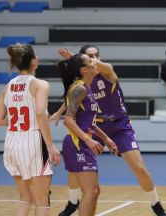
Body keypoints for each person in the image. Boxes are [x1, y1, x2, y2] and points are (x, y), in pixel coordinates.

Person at [51, 46, 166, 216]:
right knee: (78, 174)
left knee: (139, 167)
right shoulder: (84, 83)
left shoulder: (106, 72)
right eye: (91, 57)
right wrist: (58, 113)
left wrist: (76, 58)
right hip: (94, 126)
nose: (96, 59)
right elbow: (73, 99)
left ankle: (156, 204)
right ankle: (72, 202)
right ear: (84, 67)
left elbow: (95, 73)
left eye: (97, 56)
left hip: (119, 125)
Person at [0, 44, 60, 216]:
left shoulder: (7, 86)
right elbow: (39, 113)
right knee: (42, 203)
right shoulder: (40, 84)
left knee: (25, 198)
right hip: (32, 144)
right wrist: (50, 145)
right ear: (33, 62)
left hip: (12, 144)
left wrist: (24, 119)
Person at [58, 53, 119, 216]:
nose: (95, 62)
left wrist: (105, 137)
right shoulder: (78, 88)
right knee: (90, 191)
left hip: (84, 143)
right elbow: (68, 120)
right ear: (85, 70)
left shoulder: (87, 88)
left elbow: (88, 122)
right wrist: (88, 140)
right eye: (91, 61)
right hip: (77, 143)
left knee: (94, 191)